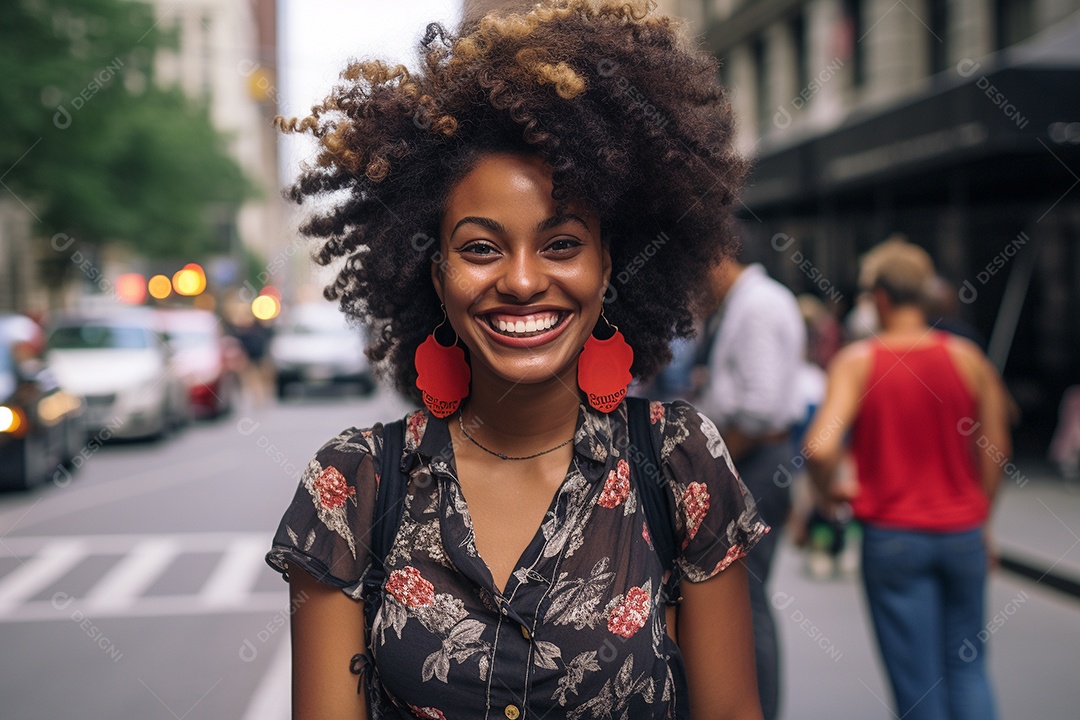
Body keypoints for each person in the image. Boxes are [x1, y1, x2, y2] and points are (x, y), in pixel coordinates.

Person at [264, 3, 769, 718]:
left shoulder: (681, 463)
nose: (524, 280)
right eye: (481, 248)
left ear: (607, 268)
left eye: (561, 244)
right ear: (435, 275)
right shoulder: (354, 486)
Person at [805, 238, 1010, 720]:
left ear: (878, 298)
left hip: (893, 537)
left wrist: (827, 495)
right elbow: (997, 451)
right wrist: (981, 518)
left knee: (918, 686)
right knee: (968, 669)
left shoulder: (859, 362)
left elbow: (819, 447)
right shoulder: (968, 359)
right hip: (962, 534)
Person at [692, 258, 806, 720]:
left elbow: (759, 410)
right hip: (752, 460)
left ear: (716, 260)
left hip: (754, 462)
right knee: (743, 598)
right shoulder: (747, 302)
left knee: (746, 600)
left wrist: (711, 464)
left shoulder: (757, 305)